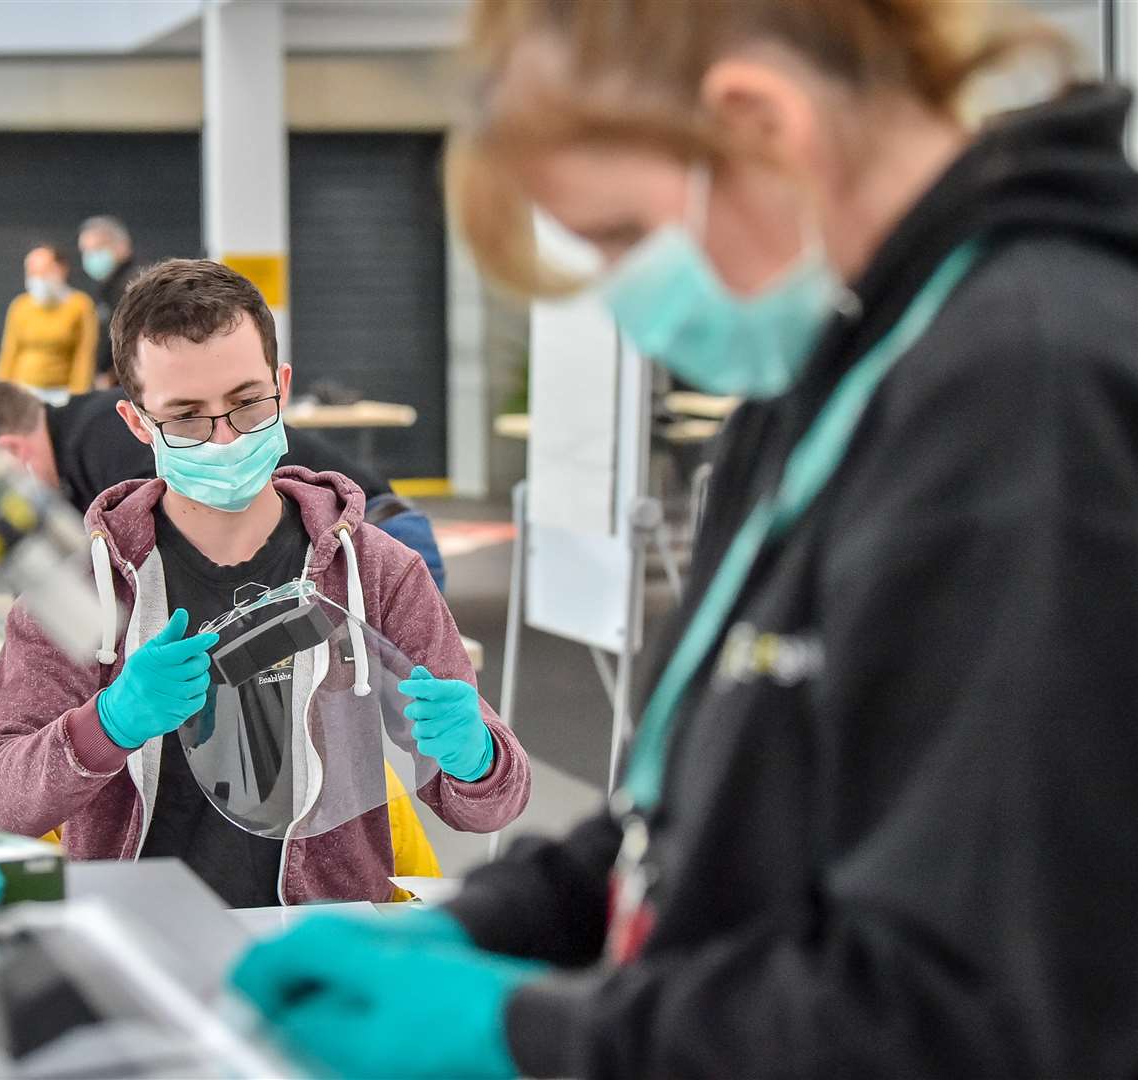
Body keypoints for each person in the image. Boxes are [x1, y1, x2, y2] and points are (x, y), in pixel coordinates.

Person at [229, 1, 1138, 1076]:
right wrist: (501, 920)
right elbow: (709, 801)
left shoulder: (1025, 395)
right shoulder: (828, 377)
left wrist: (527, 1037)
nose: (625, 301)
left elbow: (962, 1013)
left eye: (621, 236)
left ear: (758, 124)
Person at [0, 259, 530, 906]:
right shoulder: (81, 590)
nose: (224, 438)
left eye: (246, 403)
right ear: (137, 424)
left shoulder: (374, 571)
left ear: (281, 388)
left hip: (322, 946)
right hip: (143, 946)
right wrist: (108, 725)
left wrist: (474, 755)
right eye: (185, 416)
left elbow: (488, 807)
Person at [0, 377, 449, 589]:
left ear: (8, 453)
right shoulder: (81, 453)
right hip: (335, 544)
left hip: (377, 540)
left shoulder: (102, 438)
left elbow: (178, 552)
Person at [0, 245, 99, 397]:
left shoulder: (80, 305)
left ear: (61, 269)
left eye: (43, 271)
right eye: (32, 272)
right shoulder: (20, 306)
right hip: (23, 389)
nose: (37, 277)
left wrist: (77, 394)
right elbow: (9, 352)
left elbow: (85, 354)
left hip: (61, 392)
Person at [77, 214, 140, 387]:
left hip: (125, 382)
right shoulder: (108, 286)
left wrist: (114, 375)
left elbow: (137, 337)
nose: (91, 257)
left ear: (122, 246)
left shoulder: (134, 284)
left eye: (98, 248)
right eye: (85, 251)